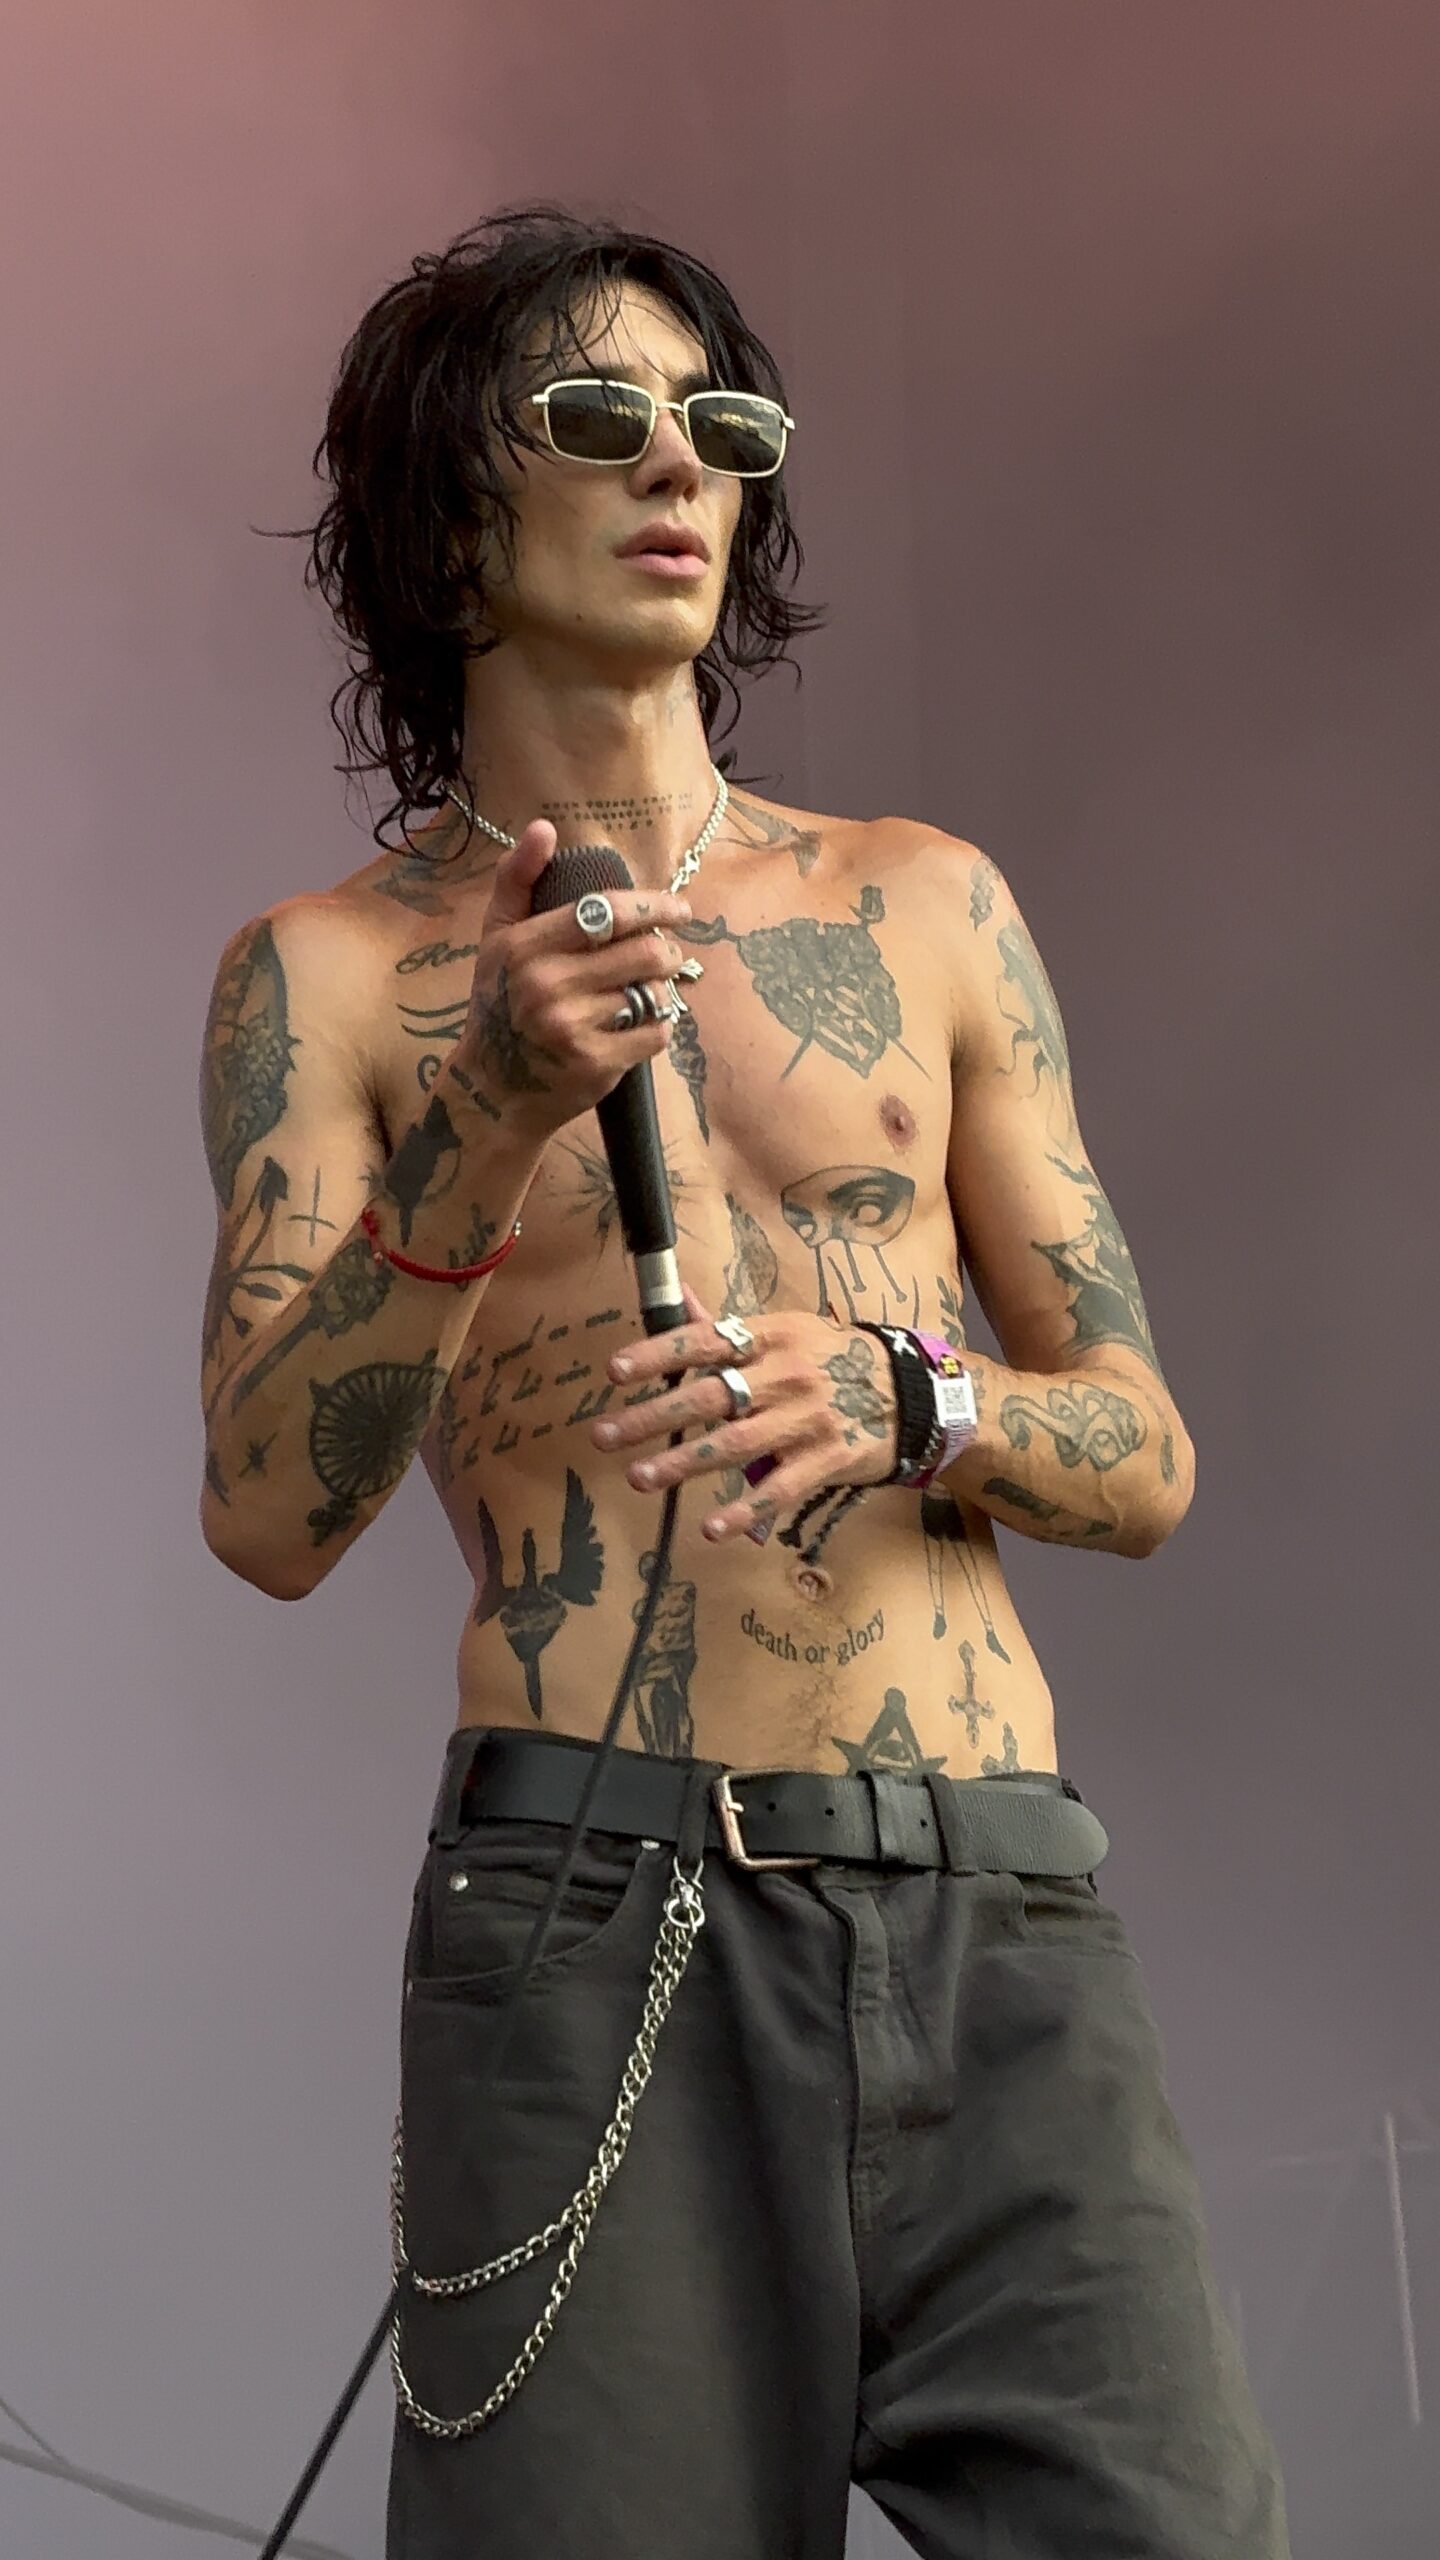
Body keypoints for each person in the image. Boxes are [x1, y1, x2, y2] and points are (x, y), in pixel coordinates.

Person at [198, 205, 1290, 2559]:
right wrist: (489, 1109)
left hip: (993, 1902)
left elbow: (1148, 1449)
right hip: (594, 1909)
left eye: (722, 422)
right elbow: (266, 1510)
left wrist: (919, 1395)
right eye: (597, 416)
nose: (678, 463)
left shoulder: (927, 901)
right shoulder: (331, 974)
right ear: (447, 512)